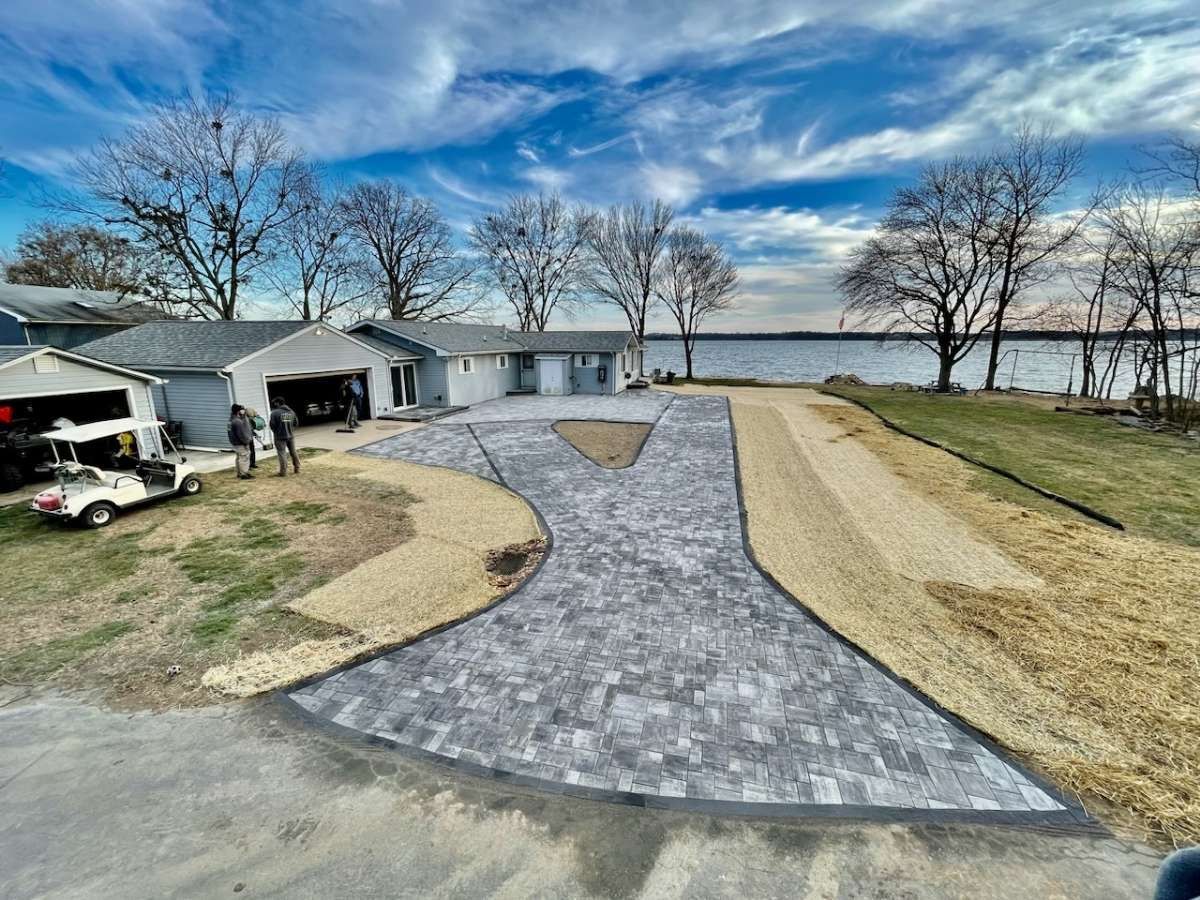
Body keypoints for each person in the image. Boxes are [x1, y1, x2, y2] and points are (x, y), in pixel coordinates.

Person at [268, 397, 301, 477]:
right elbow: (296, 423)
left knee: (282, 453)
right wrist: (290, 430)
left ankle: (283, 472)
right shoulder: (291, 412)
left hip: (279, 437)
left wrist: (277, 431)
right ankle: (297, 468)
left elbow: (272, 425)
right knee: (293, 452)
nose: (274, 404)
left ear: (278, 403)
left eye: (275, 402)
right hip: (290, 436)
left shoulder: (274, 413)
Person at [227, 404, 254, 479]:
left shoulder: (230, 421)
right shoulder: (237, 422)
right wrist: (246, 442)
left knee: (239, 458)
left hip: (234, 443)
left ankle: (239, 473)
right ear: (238, 411)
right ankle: (244, 474)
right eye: (241, 410)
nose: (243, 411)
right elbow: (241, 434)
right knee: (244, 458)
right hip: (240, 443)